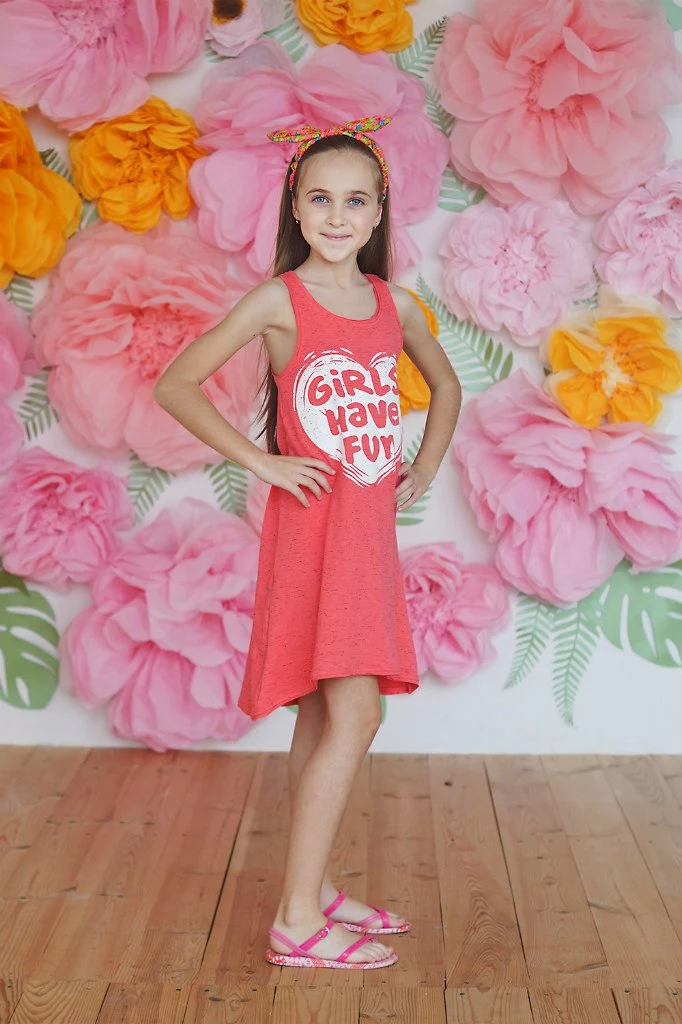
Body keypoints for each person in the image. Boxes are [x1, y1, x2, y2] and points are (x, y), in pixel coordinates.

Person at [153, 114, 462, 970]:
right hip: (312, 535)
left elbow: (445, 386)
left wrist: (422, 467)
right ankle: (295, 920)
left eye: (355, 201)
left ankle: (314, 888)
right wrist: (262, 461)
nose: (336, 215)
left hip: (366, 540)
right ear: (295, 205)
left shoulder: (394, 305)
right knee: (356, 714)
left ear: (379, 212)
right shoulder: (279, 301)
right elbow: (177, 384)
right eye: (320, 198)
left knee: (328, 712)